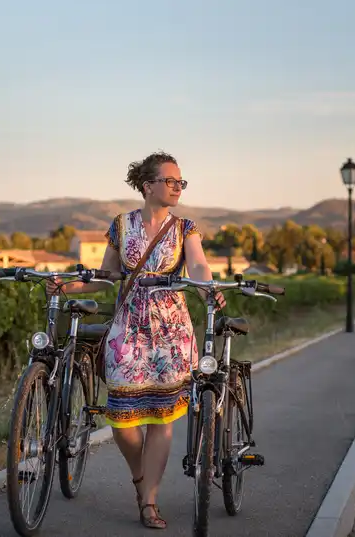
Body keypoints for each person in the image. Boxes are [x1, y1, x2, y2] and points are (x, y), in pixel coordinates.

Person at [45, 151, 224, 530]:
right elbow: (107, 275)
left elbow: (197, 266)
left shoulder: (185, 228)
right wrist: (70, 284)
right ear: (148, 186)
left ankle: (149, 501)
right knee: (122, 420)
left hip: (172, 332)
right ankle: (141, 479)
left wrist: (208, 290)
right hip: (128, 327)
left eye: (181, 182)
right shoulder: (121, 225)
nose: (178, 187)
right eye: (170, 181)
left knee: (162, 418)